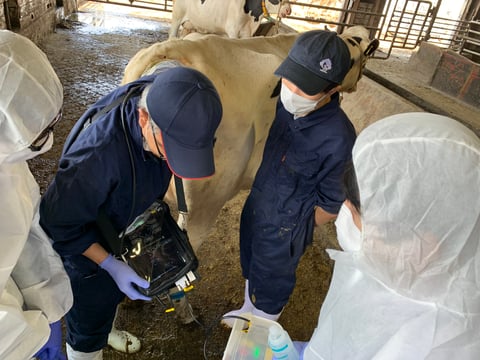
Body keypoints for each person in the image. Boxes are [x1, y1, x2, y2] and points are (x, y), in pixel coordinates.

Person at [39, 65, 222, 359]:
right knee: (88, 323)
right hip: (85, 245)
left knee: (113, 298)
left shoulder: (168, 94)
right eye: (169, 148)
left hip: (122, 221)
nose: (173, 159)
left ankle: (107, 327)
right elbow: (57, 222)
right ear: (143, 118)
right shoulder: (96, 158)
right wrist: (110, 264)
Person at [295, 112, 480, 359]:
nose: (344, 222)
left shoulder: (433, 343)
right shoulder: (403, 269)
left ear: (426, 243)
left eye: (355, 217)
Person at [223, 30, 357, 324]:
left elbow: (331, 205)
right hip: (259, 202)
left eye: (305, 87)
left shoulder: (338, 138)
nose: (292, 92)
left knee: (272, 283)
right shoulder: (285, 106)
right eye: (289, 78)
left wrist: (295, 232)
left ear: (333, 89)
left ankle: (261, 326)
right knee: (252, 263)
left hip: (287, 228)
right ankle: (248, 308)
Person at [0, 30, 73, 359]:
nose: (48, 141)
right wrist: (32, 336)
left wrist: (50, 305)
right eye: (39, 129)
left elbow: (28, 229)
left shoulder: (8, 157)